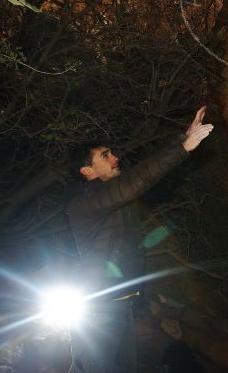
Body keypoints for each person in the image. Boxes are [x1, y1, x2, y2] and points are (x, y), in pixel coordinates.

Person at [66, 107, 214, 373]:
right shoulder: (85, 203)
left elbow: (140, 176)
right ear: (87, 171)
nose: (115, 158)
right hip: (97, 310)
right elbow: (137, 181)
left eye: (111, 152)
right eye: (105, 156)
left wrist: (183, 137)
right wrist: (183, 147)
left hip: (120, 306)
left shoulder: (112, 196)